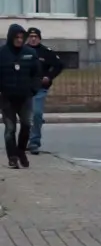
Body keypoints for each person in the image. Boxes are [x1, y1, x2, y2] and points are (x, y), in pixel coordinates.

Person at [0, 24, 40, 168]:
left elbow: (36, 73)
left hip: (25, 97)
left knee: (27, 124)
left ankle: (21, 151)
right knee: (10, 129)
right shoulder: (2, 53)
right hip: (7, 98)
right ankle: (12, 157)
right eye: (16, 37)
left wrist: (34, 89)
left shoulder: (29, 53)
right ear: (11, 38)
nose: (19, 40)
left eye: (21, 37)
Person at [24, 27, 63, 156]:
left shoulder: (46, 52)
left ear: (39, 38)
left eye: (36, 36)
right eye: (30, 36)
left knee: (36, 114)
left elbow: (59, 65)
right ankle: (21, 142)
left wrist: (49, 77)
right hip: (22, 88)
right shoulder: (20, 51)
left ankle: (34, 142)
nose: (33, 39)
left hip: (39, 89)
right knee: (22, 117)